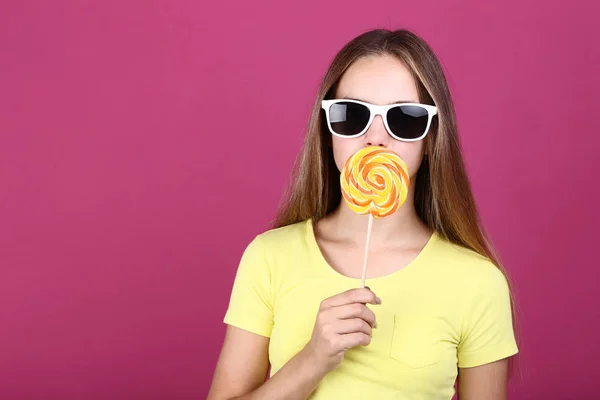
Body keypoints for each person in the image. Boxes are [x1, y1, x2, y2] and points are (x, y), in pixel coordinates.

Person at [207, 28, 519, 400]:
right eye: (352, 114)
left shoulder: (478, 282)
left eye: (404, 118)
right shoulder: (269, 257)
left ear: (432, 138)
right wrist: (312, 360)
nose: (375, 138)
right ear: (327, 131)